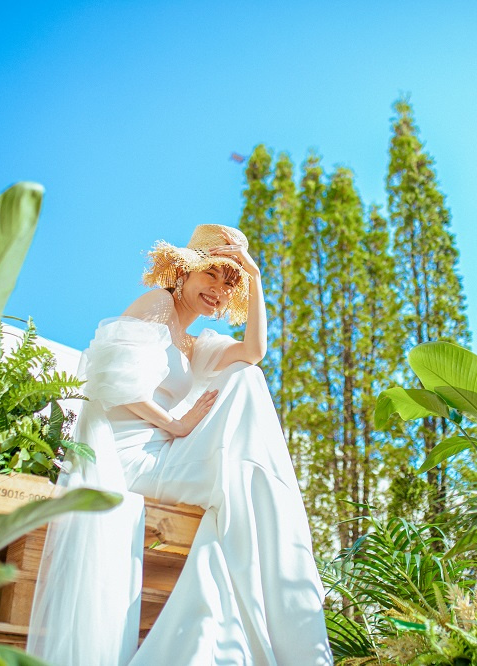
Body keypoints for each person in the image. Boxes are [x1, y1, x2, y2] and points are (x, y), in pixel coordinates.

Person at [27, 225, 333, 665]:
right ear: (184, 272)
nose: (219, 290)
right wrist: (175, 423)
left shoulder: (196, 346)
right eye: (212, 275)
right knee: (243, 480)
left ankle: (248, 626)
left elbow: (254, 352)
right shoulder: (157, 304)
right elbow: (112, 381)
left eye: (230, 284)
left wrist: (256, 278)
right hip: (128, 456)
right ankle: (292, 631)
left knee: (246, 395)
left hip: (166, 454)